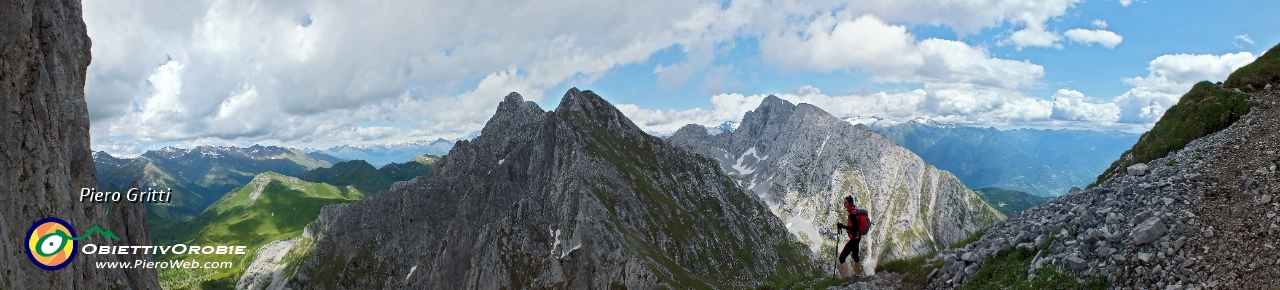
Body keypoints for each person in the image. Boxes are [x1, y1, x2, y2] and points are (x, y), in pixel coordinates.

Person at [835, 196, 862, 283]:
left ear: (850, 203)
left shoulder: (852, 214)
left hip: (854, 238)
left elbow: (855, 227)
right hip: (857, 237)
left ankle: (848, 277)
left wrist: (843, 226)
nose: (844, 204)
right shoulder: (854, 212)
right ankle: (857, 275)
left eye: (845, 202)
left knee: (842, 257)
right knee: (855, 256)